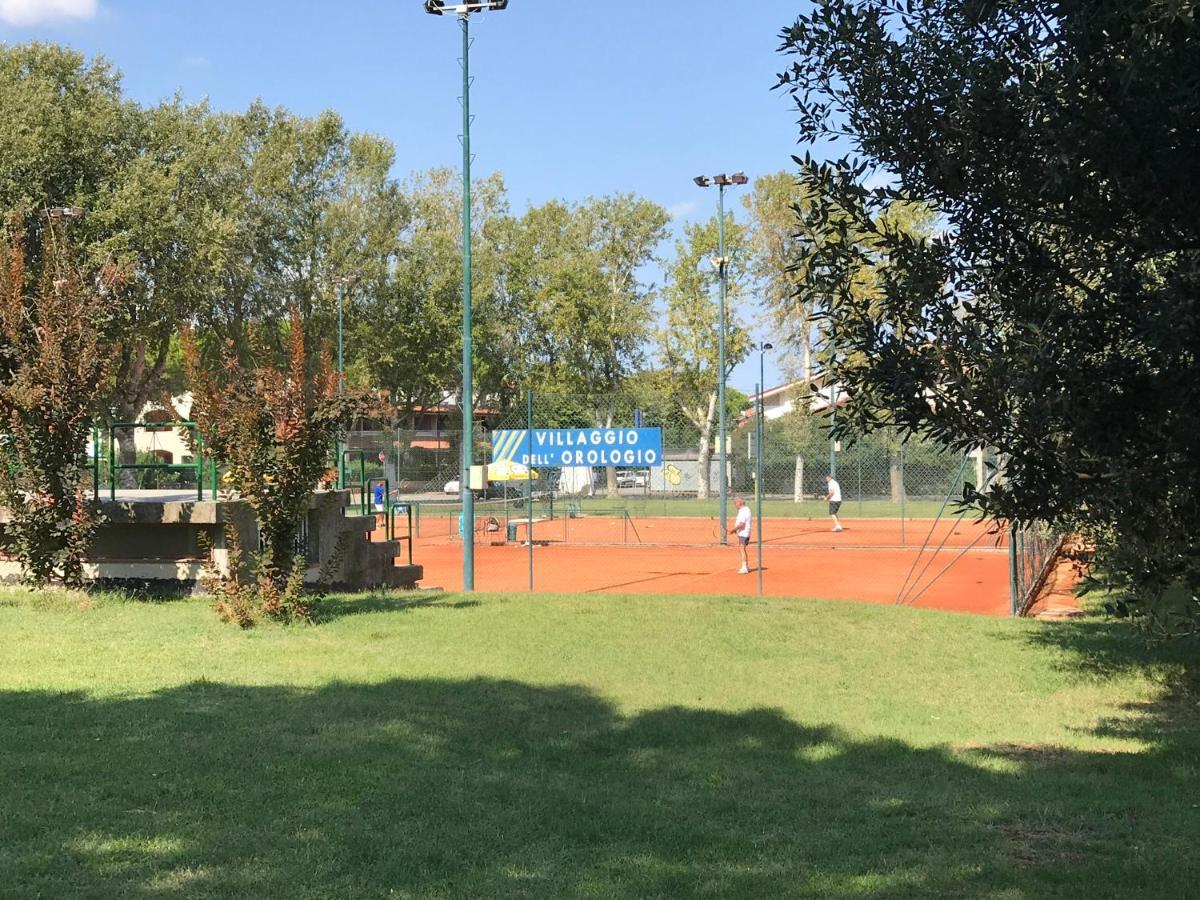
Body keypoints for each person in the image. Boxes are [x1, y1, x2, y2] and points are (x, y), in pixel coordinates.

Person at [728, 496, 752, 574]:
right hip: (744, 532)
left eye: (735, 503)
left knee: (742, 549)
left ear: (739, 503)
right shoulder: (746, 509)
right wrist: (736, 530)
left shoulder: (743, 511)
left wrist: (733, 530)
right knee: (742, 548)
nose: (735, 505)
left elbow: (742, 525)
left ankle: (744, 567)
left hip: (744, 533)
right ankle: (746, 566)